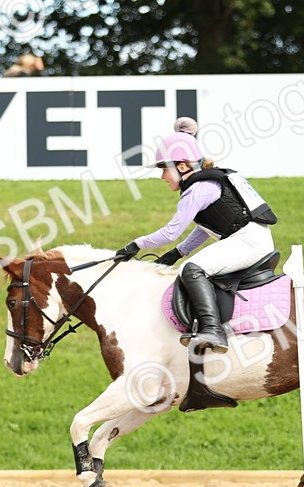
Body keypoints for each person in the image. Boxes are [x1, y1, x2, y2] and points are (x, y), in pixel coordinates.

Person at [113, 118, 278, 354]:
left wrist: (135, 244)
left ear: (182, 167)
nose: (162, 176)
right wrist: (176, 253)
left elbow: (171, 232)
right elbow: (205, 227)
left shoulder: (197, 189)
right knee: (190, 264)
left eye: (164, 169)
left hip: (248, 242)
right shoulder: (206, 182)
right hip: (250, 239)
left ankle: (213, 330)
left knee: (191, 269)